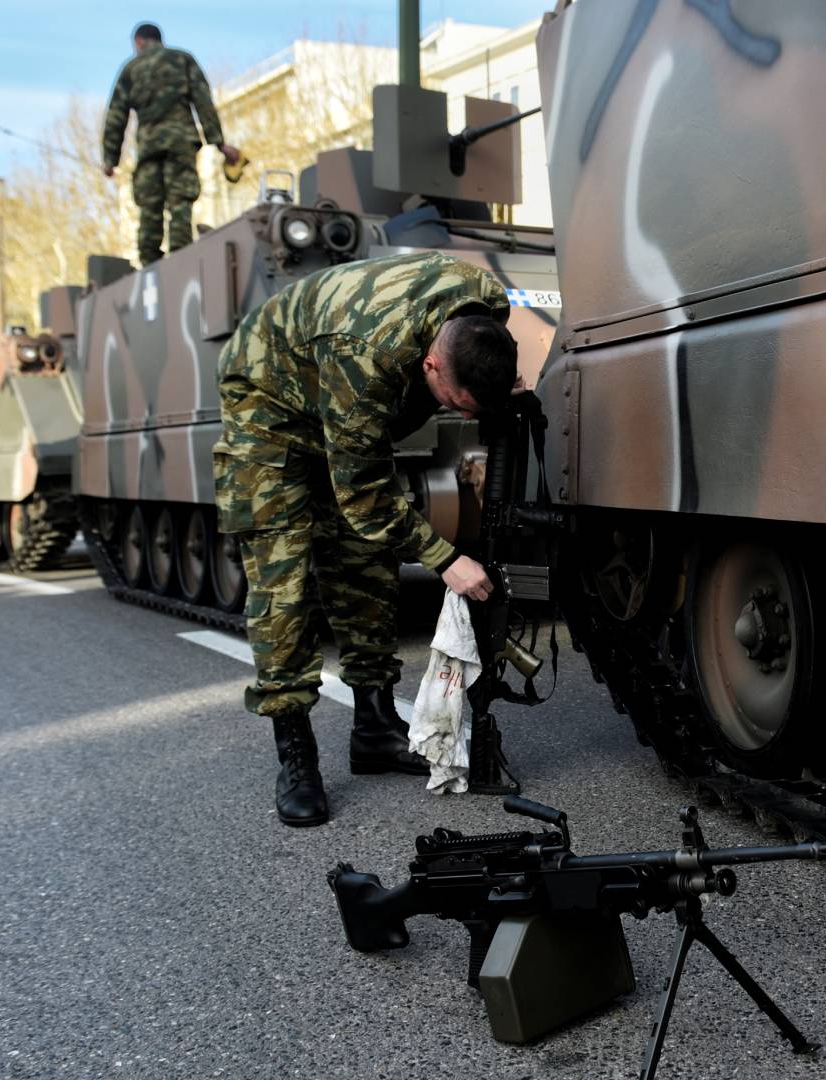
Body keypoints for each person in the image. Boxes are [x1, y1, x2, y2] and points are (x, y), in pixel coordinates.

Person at [212, 250, 519, 827]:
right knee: (285, 583)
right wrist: (445, 559)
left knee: (366, 561)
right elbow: (366, 497)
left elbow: (370, 514)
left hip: (341, 383)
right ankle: (296, 755)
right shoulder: (367, 355)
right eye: (453, 404)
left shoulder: (487, 307)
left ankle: (374, 729)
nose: (454, 412)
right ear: (429, 364)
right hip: (269, 402)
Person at [102, 22, 242, 267]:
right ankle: (180, 257)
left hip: (148, 147)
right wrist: (218, 142)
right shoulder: (182, 59)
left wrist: (110, 159)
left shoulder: (130, 70)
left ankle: (149, 265)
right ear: (158, 39)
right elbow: (202, 101)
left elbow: (116, 116)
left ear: (138, 42)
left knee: (150, 205)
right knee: (180, 201)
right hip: (181, 142)